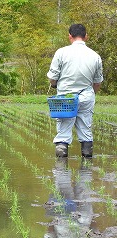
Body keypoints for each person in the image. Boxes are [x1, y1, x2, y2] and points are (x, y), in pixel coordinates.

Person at [47, 24, 103, 158]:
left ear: (69, 36)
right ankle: (87, 161)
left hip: (66, 99)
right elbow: (97, 82)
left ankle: (61, 168)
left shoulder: (61, 52)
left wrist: (55, 85)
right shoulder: (95, 56)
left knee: (63, 131)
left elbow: (52, 77)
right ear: (86, 37)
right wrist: (90, 94)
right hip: (86, 96)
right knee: (85, 129)